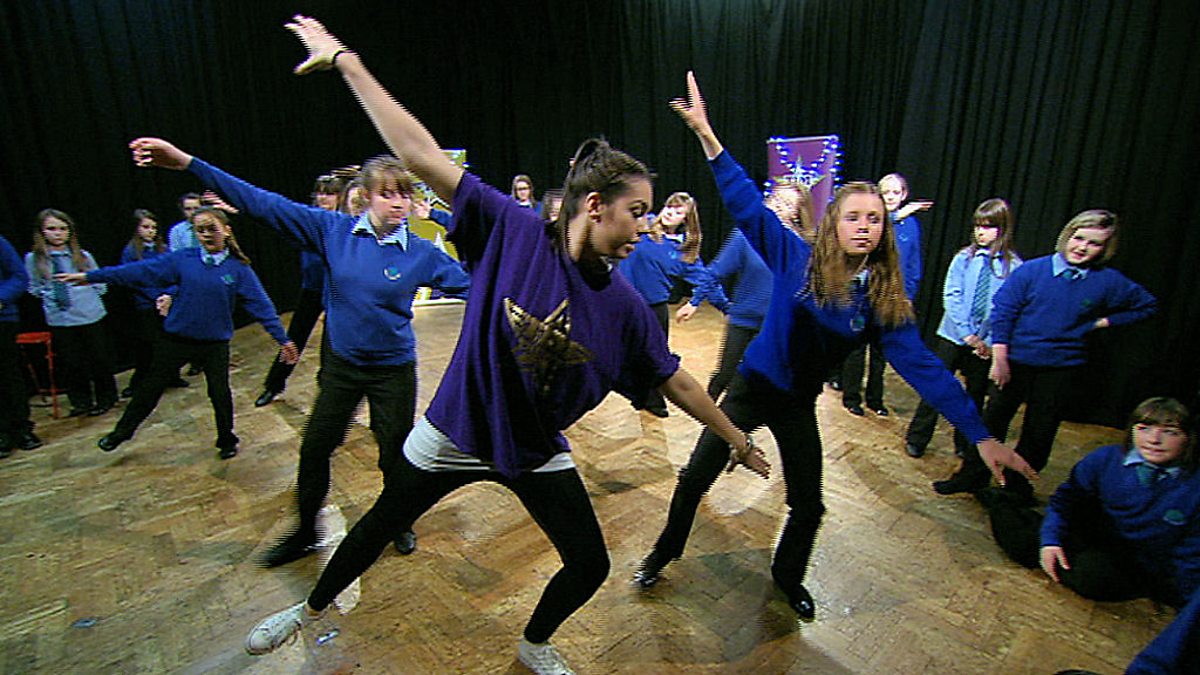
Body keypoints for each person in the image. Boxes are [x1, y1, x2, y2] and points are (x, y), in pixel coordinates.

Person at [242, 19, 768, 675]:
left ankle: (534, 642)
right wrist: (345, 59)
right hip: (455, 430)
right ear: (595, 205)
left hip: (533, 450)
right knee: (377, 523)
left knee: (590, 563)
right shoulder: (513, 230)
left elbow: (677, 380)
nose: (646, 223)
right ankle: (309, 610)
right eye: (637, 210)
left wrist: (735, 437)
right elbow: (418, 151)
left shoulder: (626, 305)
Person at [634, 72, 1035, 622]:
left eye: (875, 219)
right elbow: (746, 204)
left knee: (809, 504)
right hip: (752, 388)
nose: (865, 226)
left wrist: (981, 435)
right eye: (854, 217)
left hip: (797, 404)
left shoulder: (881, 300)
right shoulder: (795, 257)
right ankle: (662, 554)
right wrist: (707, 134)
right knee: (693, 478)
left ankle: (788, 578)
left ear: (884, 230)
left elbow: (926, 369)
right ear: (834, 225)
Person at [129, 139, 472, 564]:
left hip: (393, 372)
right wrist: (187, 162)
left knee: (394, 454)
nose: (399, 202)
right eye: (387, 193)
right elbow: (261, 203)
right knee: (314, 449)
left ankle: (398, 522)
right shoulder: (333, 232)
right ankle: (306, 532)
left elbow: (479, 288)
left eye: (404, 193)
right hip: (343, 369)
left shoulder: (421, 253)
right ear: (366, 196)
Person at [934, 209, 1157, 501]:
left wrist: (1103, 322)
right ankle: (972, 476)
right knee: (991, 422)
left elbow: (1146, 305)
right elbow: (1004, 312)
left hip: (1061, 368)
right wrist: (1000, 359)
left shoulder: (1108, 281)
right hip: (1015, 361)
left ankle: (1016, 487)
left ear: (1105, 249)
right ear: (1067, 236)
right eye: (1079, 238)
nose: (1082, 247)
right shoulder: (1033, 271)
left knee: (1040, 430)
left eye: (1094, 243)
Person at [979, 397, 1199, 674]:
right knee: (1021, 540)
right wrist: (1050, 540)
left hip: (1140, 559)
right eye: (1144, 428)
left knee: (1094, 577)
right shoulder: (1105, 459)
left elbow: (1191, 553)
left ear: (1188, 439)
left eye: (1170, 432)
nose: (1154, 439)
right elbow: (1065, 500)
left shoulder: (1193, 486)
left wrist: (1187, 605)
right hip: (1093, 529)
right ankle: (1001, 501)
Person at [57, 207, 298, 459]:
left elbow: (261, 305)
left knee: (220, 393)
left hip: (214, 344)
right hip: (176, 341)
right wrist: (91, 277)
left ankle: (227, 439)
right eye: (200, 230)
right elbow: (138, 271)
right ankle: (120, 434)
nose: (206, 234)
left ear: (226, 231)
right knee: (150, 389)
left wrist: (282, 339)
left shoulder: (238, 269)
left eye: (211, 229)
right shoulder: (183, 259)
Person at [676, 179, 814, 401]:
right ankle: (708, 414)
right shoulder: (746, 236)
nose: (778, 207)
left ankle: (740, 420)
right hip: (743, 320)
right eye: (775, 200)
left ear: (797, 212)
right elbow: (715, 271)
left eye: (787, 204)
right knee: (726, 374)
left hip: (775, 325)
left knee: (759, 381)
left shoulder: (802, 246)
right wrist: (694, 302)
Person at [904, 198, 1021, 458]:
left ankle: (966, 443)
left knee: (974, 396)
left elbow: (1006, 307)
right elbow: (952, 295)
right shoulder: (964, 258)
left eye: (988, 226)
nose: (981, 232)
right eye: (978, 226)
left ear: (1002, 228)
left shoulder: (1013, 266)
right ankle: (917, 438)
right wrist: (966, 333)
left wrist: (986, 340)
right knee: (937, 387)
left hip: (984, 342)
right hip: (953, 335)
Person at [838, 173, 932, 417]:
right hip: (863, 295)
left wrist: (908, 295)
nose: (890, 197)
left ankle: (875, 398)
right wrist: (896, 216)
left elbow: (913, 264)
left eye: (895, 192)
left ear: (904, 195)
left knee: (880, 352)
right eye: (886, 192)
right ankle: (851, 397)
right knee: (856, 347)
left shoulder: (911, 225)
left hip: (891, 297)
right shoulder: (870, 220)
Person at [253, 172, 344, 408]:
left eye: (329, 193)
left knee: (332, 342)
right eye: (320, 193)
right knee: (294, 337)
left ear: (339, 196)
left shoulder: (345, 222)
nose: (323, 198)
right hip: (312, 288)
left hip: (337, 291)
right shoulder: (309, 220)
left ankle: (327, 390)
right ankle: (274, 385)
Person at [618, 191, 707, 416]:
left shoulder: (682, 248)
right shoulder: (643, 224)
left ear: (685, 220)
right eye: (669, 207)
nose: (670, 213)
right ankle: (637, 392)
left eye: (678, 211)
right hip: (622, 300)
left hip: (653, 307)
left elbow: (707, 279)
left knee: (655, 358)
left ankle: (652, 398)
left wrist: (695, 303)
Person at [25, 209, 119, 417]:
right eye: (52, 229)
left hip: (89, 314)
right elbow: (34, 287)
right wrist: (51, 295)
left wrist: (85, 295)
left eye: (63, 229)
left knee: (98, 358)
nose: (58, 233)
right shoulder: (34, 259)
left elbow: (100, 282)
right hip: (60, 318)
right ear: (42, 232)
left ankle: (106, 397)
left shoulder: (82, 256)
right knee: (72, 362)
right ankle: (81, 402)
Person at [119, 209, 189, 398]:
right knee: (149, 345)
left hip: (168, 302)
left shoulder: (163, 249)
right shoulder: (131, 252)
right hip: (147, 305)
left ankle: (172, 376)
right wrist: (156, 296)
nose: (150, 231)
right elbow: (131, 279)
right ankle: (139, 383)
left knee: (171, 341)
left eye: (153, 227)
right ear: (136, 228)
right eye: (145, 227)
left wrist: (169, 294)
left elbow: (176, 274)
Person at [1, 233, 41, 458]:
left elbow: (18, 277)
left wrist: (1, 299)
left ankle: (21, 428)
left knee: (8, 374)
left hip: (2, 318)